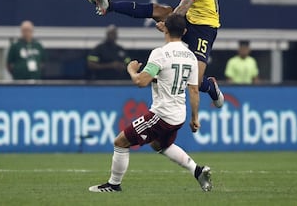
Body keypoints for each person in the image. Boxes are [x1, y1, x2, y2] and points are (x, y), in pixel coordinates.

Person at [88, 14, 212, 193]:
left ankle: (113, 185)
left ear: (166, 29)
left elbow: (141, 82)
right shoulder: (191, 57)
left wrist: (131, 70)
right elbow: (193, 90)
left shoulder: (160, 54)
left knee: (120, 141)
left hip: (162, 114)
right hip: (179, 115)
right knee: (160, 145)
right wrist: (195, 118)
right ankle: (198, 171)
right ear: (184, 31)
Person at [93, 0, 224, 108]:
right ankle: (109, 6)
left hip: (205, 29)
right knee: (157, 10)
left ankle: (211, 86)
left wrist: (168, 25)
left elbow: (185, 5)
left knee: (195, 81)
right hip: (191, 20)